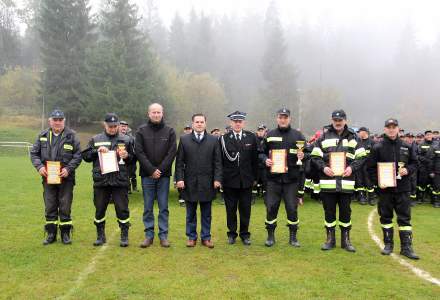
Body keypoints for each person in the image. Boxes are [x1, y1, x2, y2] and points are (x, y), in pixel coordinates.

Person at [311, 109, 367, 252]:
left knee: (346, 213)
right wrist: (323, 168)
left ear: (345, 121)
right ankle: (330, 240)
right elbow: (315, 156)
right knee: (329, 212)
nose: (338, 122)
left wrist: (352, 168)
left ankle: (346, 240)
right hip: (328, 182)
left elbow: (361, 157)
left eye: (340, 120)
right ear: (332, 121)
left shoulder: (354, 138)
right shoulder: (323, 137)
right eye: (335, 120)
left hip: (346, 182)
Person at [367, 118, 419, 259]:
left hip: (403, 189)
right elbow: (370, 168)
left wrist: (407, 170)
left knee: (404, 219)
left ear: (398, 128)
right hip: (385, 190)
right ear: (385, 129)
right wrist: (378, 183)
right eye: (388, 127)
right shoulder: (377, 147)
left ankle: (406, 247)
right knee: (386, 217)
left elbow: (415, 163)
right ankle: (388, 244)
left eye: (394, 127)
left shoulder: (406, 146)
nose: (391, 129)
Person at [82, 113, 134, 247]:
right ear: (104, 125)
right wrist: (96, 151)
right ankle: (100, 235)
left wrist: (127, 155)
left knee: (122, 209)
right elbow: (86, 156)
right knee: (99, 209)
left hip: (120, 180)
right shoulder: (96, 139)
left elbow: (134, 159)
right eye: (110, 126)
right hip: (101, 180)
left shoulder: (126, 139)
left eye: (115, 126)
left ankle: (124, 235)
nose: (112, 128)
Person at [30, 109, 82, 245]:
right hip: (48, 178)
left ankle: (65, 233)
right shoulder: (42, 135)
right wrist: (40, 167)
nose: (57, 122)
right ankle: (51, 234)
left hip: (66, 178)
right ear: (50, 121)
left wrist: (68, 169)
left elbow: (78, 156)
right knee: (50, 205)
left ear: (64, 121)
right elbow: (34, 153)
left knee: (65, 206)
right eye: (55, 120)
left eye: (60, 120)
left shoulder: (72, 136)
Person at [260, 108, 307, 247]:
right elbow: (260, 152)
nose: (283, 119)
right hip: (273, 180)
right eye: (281, 117)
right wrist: (265, 160)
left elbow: (308, 152)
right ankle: (270, 236)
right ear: (277, 118)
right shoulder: (270, 134)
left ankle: (293, 237)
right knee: (271, 207)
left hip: (291, 180)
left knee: (292, 209)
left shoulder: (298, 135)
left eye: (285, 117)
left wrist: (303, 156)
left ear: (289, 118)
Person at [175, 114, 222, 248]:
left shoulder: (214, 140)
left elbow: (218, 162)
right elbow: (179, 162)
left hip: (208, 182)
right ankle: (191, 237)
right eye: (197, 122)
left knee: (206, 213)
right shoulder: (184, 140)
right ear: (193, 123)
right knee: (190, 213)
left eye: (202, 122)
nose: (199, 124)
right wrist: (179, 179)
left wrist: (217, 179)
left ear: (205, 123)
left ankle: (206, 238)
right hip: (189, 182)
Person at [135, 103, 177, 248]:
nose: (156, 114)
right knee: (148, 207)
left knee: (163, 206)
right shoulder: (141, 131)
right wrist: (151, 170)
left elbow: (172, 153)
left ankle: (163, 236)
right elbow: (139, 152)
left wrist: (160, 170)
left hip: (164, 176)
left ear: (162, 113)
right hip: (147, 176)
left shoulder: (170, 131)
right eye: (154, 112)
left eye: (158, 112)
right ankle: (148, 235)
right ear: (149, 114)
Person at [220, 111, 258, 245]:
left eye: (240, 121)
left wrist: (255, 178)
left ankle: (245, 234)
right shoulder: (224, 139)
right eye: (235, 121)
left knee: (245, 209)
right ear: (231, 123)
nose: (237, 123)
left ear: (243, 123)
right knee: (230, 209)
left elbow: (255, 160)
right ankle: (231, 234)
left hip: (246, 180)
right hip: (229, 180)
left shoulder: (251, 137)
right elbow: (221, 161)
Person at [356, 127, 377, 205]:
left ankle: (371, 198)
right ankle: (362, 197)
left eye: (360, 132)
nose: (358, 133)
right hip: (359, 166)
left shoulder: (372, 142)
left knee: (369, 182)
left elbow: (375, 154)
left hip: (368, 166)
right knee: (360, 181)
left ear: (365, 132)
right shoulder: (357, 142)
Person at [119, 120, 138, 193]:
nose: (124, 128)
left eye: (125, 126)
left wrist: (134, 158)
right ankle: (127, 188)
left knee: (132, 173)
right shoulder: (115, 137)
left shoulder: (131, 138)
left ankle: (134, 187)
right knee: (124, 174)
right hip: (119, 160)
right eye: (122, 126)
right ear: (119, 126)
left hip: (131, 160)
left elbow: (135, 149)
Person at [416, 130, 434, 203]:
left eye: (430, 134)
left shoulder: (436, 144)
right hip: (423, 167)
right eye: (427, 135)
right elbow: (418, 156)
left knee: (432, 183)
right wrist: (427, 160)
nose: (429, 136)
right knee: (422, 183)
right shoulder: (421, 144)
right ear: (425, 136)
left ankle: (430, 198)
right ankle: (420, 198)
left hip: (433, 168)